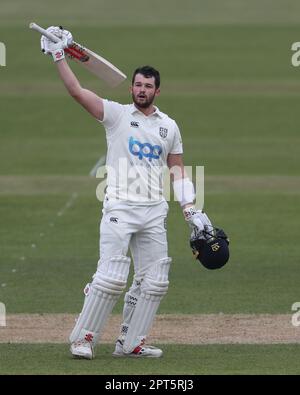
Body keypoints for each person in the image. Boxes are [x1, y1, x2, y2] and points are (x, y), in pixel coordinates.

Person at [40, 26, 213, 359]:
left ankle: (131, 342)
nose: (142, 90)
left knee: (155, 281)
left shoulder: (168, 126)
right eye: (137, 84)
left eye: (148, 86)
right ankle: (83, 338)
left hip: (153, 211)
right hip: (120, 206)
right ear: (132, 87)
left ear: (157, 91)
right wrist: (59, 55)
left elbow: (177, 169)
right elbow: (77, 91)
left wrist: (191, 208)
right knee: (112, 278)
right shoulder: (116, 115)